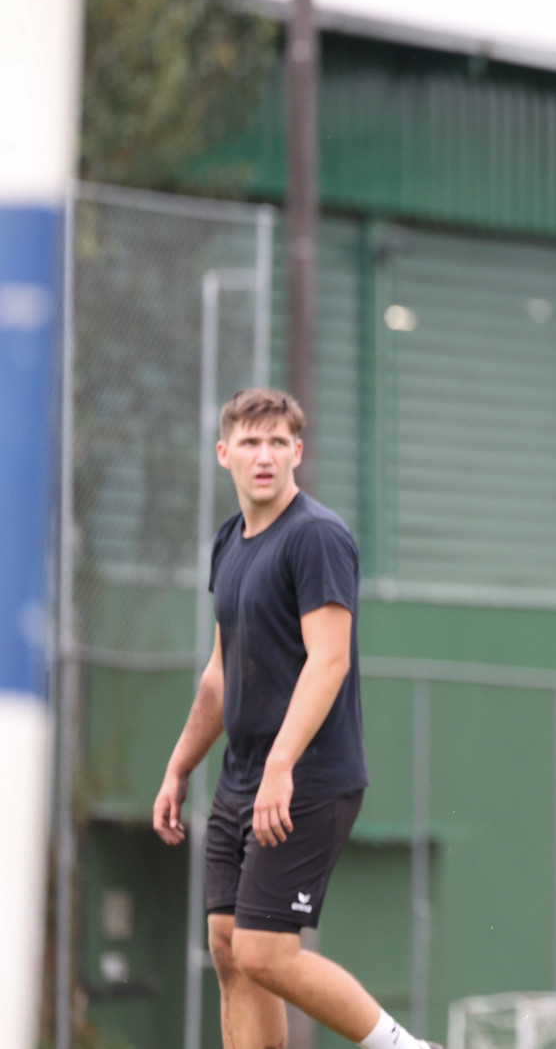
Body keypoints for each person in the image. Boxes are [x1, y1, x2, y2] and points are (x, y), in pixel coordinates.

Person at [152, 388, 437, 1049]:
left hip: (307, 778)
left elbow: (329, 662)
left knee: (264, 952)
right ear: (224, 453)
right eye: (250, 442)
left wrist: (280, 766)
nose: (265, 455)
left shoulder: (317, 537)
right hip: (240, 779)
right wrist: (178, 768)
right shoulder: (229, 541)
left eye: (279, 442)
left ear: (297, 453)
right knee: (228, 946)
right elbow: (221, 676)